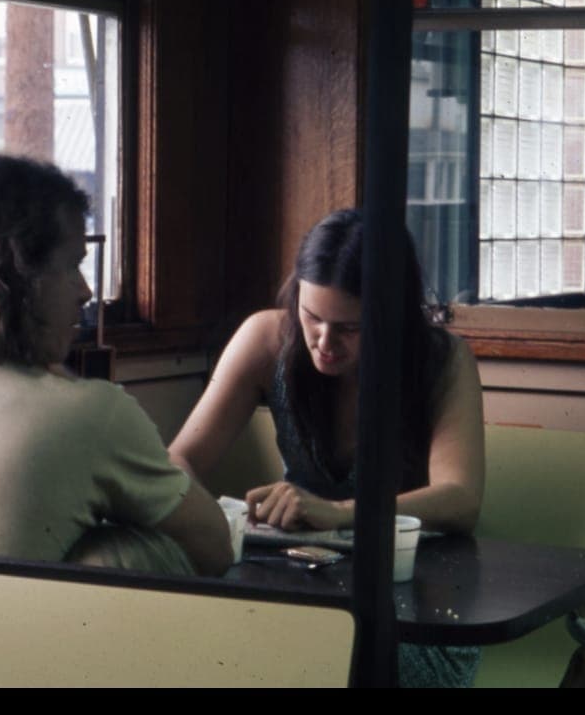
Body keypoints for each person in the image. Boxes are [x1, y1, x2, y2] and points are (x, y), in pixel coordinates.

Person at [170, 208, 486, 686]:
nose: (324, 340)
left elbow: (461, 498)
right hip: (299, 581)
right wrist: (212, 529)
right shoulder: (266, 338)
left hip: (416, 602)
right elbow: (180, 460)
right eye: (312, 315)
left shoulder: (441, 361)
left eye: (350, 328)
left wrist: (341, 512)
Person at [0, 152, 233, 577]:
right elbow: (216, 548)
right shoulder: (88, 413)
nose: (86, 291)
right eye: (72, 265)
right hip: (11, 641)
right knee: (123, 552)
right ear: (17, 278)